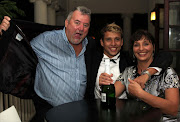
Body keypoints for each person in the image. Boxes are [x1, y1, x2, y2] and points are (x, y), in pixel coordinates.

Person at [0, 6, 97, 122]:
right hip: (50, 114)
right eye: (77, 22)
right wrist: (5, 35)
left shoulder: (90, 46)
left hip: (80, 114)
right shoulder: (46, 40)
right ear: (66, 23)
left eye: (85, 25)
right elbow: (19, 50)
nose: (81, 28)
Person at [94, 23, 173, 99]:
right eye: (108, 40)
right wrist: (101, 86)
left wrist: (147, 74)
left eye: (117, 39)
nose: (113, 43)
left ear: (122, 42)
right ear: (102, 42)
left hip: (125, 110)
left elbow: (166, 56)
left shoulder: (129, 58)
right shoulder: (91, 59)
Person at [114, 30, 179, 121]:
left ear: (153, 47)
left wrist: (141, 94)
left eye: (146, 44)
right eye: (136, 45)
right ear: (132, 49)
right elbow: (111, 94)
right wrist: (105, 85)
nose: (141, 48)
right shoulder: (128, 72)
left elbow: (173, 110)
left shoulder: (167, 73)